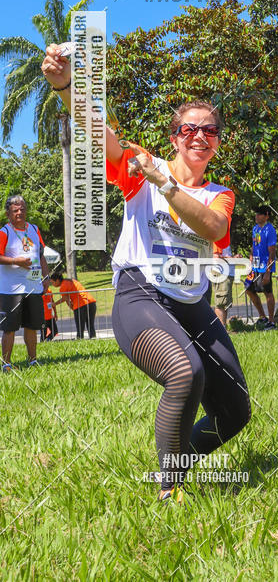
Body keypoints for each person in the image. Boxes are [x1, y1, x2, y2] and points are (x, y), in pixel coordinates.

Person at [42, 44, 251, 503]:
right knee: (184, 373)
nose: (200, 136)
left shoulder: (220, 193)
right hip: (141, 294)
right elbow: (101, 134)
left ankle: (175, 454)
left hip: (192, 303)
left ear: (218, 141)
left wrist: (168, 186)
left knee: (236, 411)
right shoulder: (143, 166)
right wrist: (65, 86)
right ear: (175, 137)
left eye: (210, 130)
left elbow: (214, 227)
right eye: (189, 129)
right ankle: (169, 488)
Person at [0, 195, 49, 370]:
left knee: (32, 326)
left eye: (22, 209)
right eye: (15, 210)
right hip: (11, 290)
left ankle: (32, 361)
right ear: (8, 214)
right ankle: (6, 364)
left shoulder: (34, 229)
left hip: (33, 287)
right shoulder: (4, 232)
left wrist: (46, 277)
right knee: (9, 328)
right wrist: (16, 261)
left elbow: (41, 255)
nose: (19, 212)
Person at [244, 206, 277, 330]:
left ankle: (271, 322)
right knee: (248, 288)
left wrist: (268, 272)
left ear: (266, 216)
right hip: (255, 266)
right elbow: (254, 246)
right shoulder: (255, 228)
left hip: (265, 267)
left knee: (267, 292)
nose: (256, 216)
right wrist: (251, 258)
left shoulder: (270, 230)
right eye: (256, 214)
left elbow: (272, 252)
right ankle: (262, 317)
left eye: (259, 214)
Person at [50, 271, 97, 339]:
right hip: (91, 302)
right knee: (90, 325)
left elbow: (66, 299)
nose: (52, 284)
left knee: (80, 328)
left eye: (52, 282)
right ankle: (93, 339)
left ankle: (79, 340)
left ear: (57, 280)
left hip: (81, 305)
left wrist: (55, 304)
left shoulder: (63, 286)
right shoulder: (72, 281)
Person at [213, 244, 237, 328]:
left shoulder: (224, 239)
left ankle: (223, 327)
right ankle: (221, 329)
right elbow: (216, 257)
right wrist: (233, 259)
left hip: (226, 273)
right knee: (221, 303)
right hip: (221, 273)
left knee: (225, 302)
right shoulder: (219, 240)